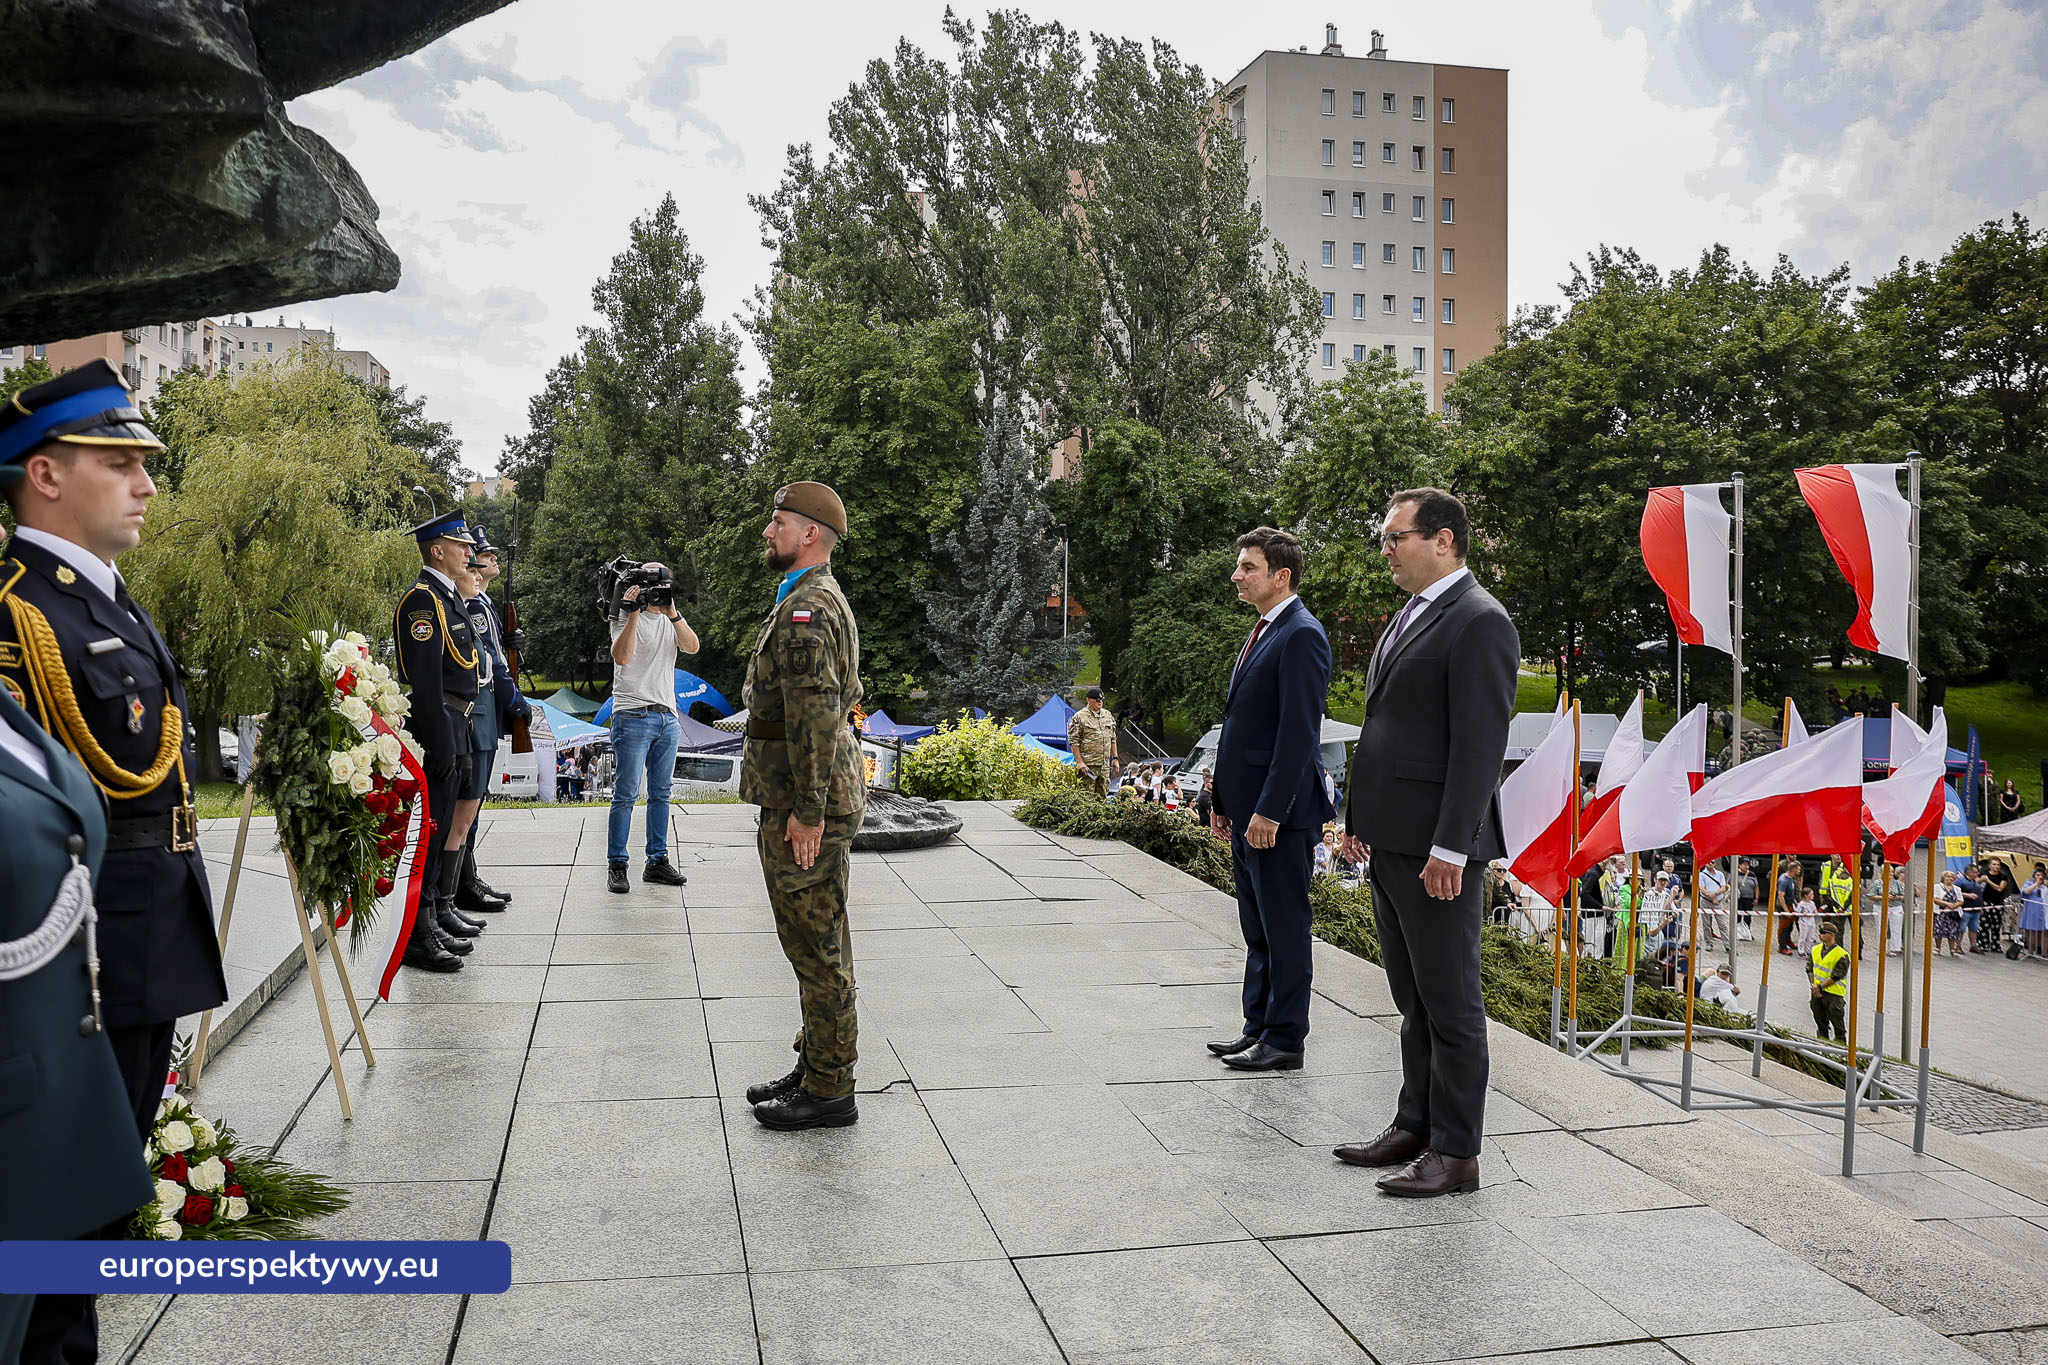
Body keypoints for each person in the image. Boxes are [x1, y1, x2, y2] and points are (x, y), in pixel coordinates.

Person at [0, 362, 232, 1362]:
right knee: (60, 1215)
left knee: (104, 1191)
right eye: (119, 462)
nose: (145, 484)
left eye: (146, 464)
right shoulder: (18, 612)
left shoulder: (102, 597)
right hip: (82, 949)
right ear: (42, 474)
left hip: (145, 928)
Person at [1333, 488, 1518, 1199]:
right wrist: (1360, 819)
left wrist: (1451, 845)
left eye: (1395, 536)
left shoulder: (1479, 620)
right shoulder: (1413, 613)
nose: (1385, 548)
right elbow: (1388, 728)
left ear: (1443, 540)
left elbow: (1478, 749)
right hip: (1392, 839)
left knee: (1451, 1004)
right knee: (1413, 998)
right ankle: (1416, 1121)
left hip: (1437, 849)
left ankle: (1457, 1152)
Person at [738, 483, 867, 1131]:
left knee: (817, 947)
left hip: (803, 796)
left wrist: (809, 810)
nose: (768, 530)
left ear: (810, 533)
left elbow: (815, 718)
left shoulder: (808, 611)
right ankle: (816, 1062)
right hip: (799, 790)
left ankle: (829, 1090)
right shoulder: (805, 598)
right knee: (813, 940)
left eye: (779, 521)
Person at [1208, 527, 1333, 1075]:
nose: (1237, 575)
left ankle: (1285, 1039)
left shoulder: (1301, 634)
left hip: (1277, 817)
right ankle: (1257, 1026)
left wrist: (1269, 810)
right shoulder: (1264, 630)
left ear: (1281, 576)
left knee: (1284, 927)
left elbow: (1297, 734)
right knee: (1256, 926)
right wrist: (1220, 798)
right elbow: (1240, 727)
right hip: (1247, 809)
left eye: (1247, 567)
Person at [392, 510, 490, 971]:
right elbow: (427, 683)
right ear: (436, 550)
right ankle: (417, 930)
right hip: (441, 721)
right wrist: (441, 741)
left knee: (444, 821)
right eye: (460, 544)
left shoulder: (447, 599)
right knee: (430, 829)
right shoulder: (422, 601)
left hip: (460, 719)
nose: (469, 552)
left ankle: (433, 913)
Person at [605, 560, 697, 894]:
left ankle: (657, 860)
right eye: (652, 590)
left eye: (663, 590)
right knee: (626, 793)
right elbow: (622, 657)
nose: (656, 596)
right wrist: (632, 613)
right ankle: (617, 863)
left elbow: (692, 647)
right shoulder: (623, 614)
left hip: (666, 716)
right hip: (632, 714)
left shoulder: (671, 619)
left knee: (661, 793)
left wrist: (672, 612)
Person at [456, 533, 528, 913]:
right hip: (479, 711)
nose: (490, 560)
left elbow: (497, 654)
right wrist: (515, 701)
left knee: (473, 805)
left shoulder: (482, 604)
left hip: (484, 711)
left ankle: (466, 878)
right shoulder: (475, 606)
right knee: (469, 806)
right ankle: (461, 884)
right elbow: (494, 666)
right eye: (483, 555)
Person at [1067, 687, 1119, 800]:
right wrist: (1079, 762)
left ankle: (1100, 817)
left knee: (1103, 797)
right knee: (1087, 798)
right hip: (1088, 765)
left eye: (1101, 700)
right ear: (1088, 700)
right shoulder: (1079, 717)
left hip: (1105, 765)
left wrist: (1115, 758)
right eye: (1096, 699)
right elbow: (1073, 741)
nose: (1099, 702)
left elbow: (1113, 738)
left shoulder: (1107, 715)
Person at [1807, 922, 1850, 1042]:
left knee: (1838, 1027)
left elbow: (1837, 975)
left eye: (1823, 933)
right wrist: (1814, 986)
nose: (1819, 935)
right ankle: (1822, 1048)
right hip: (1817, 992)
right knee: (1821, 1024)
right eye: (1819, 932)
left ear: (1832, 935)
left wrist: (1819, 987)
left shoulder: (1842, 955)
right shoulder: (1815, 949)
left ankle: (1840, 1052)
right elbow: (1809, 968)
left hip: (1834, 995)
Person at [1932, 871, 1965, 957]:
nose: (1950, 878)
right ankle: (1938, 948)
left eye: (1952, 877)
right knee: (1939, 930)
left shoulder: (1957, 888)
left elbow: (1961, 900)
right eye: (1948, 876)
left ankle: (1952, 949)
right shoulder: (1937, 887)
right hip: (1941, 912)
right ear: (1944, 877)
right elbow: (1934, 899)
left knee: (1953, 931)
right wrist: (1946, 904)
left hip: (1953, 913)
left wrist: (1954, 905)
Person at [2019, 862, 2048, 960]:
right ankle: (2030, 952)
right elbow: (2025, 892)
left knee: (2044, 932)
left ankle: (2044, 953)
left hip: (2043, 912)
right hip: (2032, 912)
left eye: (2042, 875)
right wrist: (2036, 884)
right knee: (2032, 932)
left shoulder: (2045, 886)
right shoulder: (2029, 883)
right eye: (2038, 875)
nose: (2040, 877)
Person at [1956, 862, 1986, 954]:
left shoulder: (1975, 882)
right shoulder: (1960, 881)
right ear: (1969, 873)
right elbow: (1955, 893)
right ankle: (1957, 946)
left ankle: (1973, 945)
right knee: (1961, 929)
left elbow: (1980, 895)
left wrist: (1981, 907)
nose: (1978, 874)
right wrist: (1967, 895)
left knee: (1974, 928)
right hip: (1965, 909)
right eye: (1976, 872)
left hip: (1976, 909)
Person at [1735, 857, 1758, 942]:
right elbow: (1728, 883)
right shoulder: (1735, 873)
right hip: (1739, 898)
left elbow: (1756, 886)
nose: (1746, 866)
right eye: (1744, 864)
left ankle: (1747, 932)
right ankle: (1737, 933)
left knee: (1748, 917)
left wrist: (1756, 897)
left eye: (1747, 865)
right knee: (1738, 916)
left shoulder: (1752, 874)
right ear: (1739, 865)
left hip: (1749, 898)